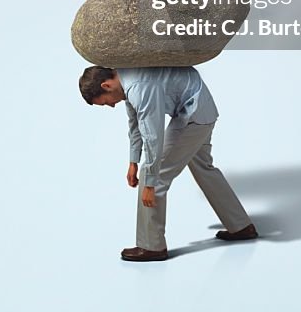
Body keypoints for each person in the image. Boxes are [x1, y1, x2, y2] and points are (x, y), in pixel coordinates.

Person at [79, 64, 257, 261]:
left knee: (154, 175)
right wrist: (133, 161)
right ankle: (241, 226)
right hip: (200, 109)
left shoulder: (139, 87)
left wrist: (149, 183)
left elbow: (153, 135)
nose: (111, 106)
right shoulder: (127, 78)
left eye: (105, 103)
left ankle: (151, 246)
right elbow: (135, 123)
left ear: (106, 86)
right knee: (204, 169)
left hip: (193, 113)